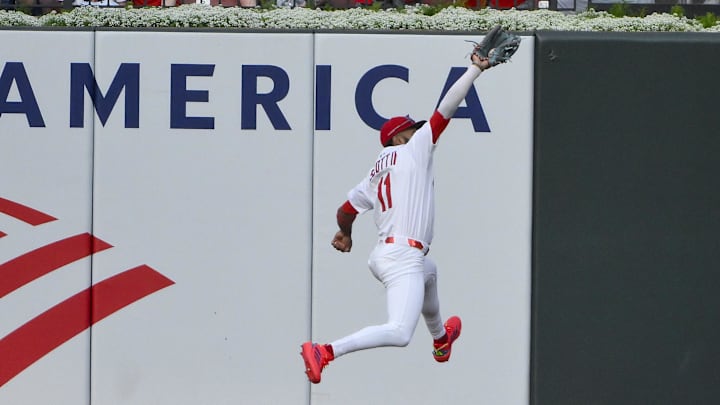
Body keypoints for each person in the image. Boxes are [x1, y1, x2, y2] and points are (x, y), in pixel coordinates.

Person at [300, 50, 495, 384]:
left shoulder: (373, 173)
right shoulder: (413, 149)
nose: (419, 133)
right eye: (411, 131)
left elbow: (345, 211)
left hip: (388, 254)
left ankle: (440, 339)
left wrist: (345, 233)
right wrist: (474, 70)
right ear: (398, 137)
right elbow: (445, 110)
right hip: (402, 255)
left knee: (429, 274)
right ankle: (326, 350)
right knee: (400, 331)